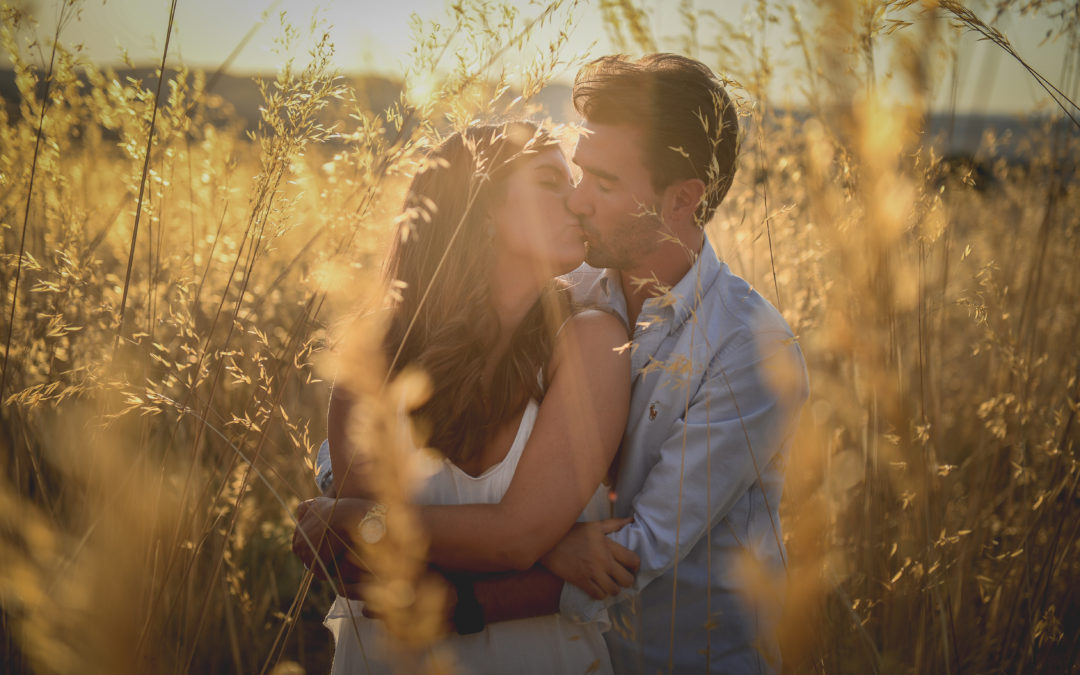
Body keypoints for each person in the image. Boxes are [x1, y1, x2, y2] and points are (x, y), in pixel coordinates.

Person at [300, 52, 810, 674]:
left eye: (606, 183)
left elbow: (633, 554)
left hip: (681, 656)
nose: (579, 199)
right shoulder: (566, 288)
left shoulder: (747, 348)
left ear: (682, 200)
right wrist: (338, 498)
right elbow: (361, 449)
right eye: (576, 173)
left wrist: (475, 579)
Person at [294, 121, 638, 674]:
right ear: (482, 209)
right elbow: (363, 571)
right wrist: (551, 552)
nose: (577, 199)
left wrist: (363, 518)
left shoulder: (591, 342)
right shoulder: (374, 356)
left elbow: (516, 536)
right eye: (551, 180)